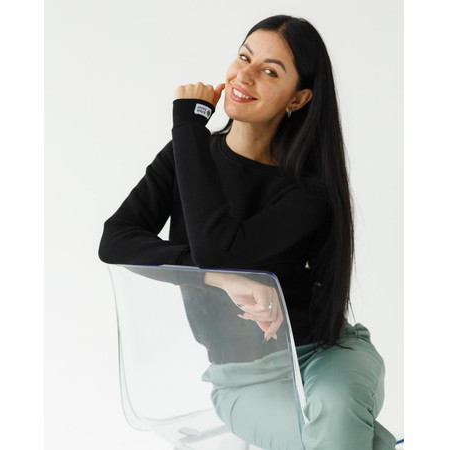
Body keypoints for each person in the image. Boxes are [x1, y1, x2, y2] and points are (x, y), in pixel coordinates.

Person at [99, 14, 397, 450]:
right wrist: (216, 278)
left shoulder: (308, 190)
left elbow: (219, 248)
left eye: (270, 72)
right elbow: (116, 239)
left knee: (334, 417)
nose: (245, 75)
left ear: (298, 98)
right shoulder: (188, 156)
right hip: (242, 379)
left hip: (326, 355)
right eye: (244, 57)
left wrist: (188, 123)